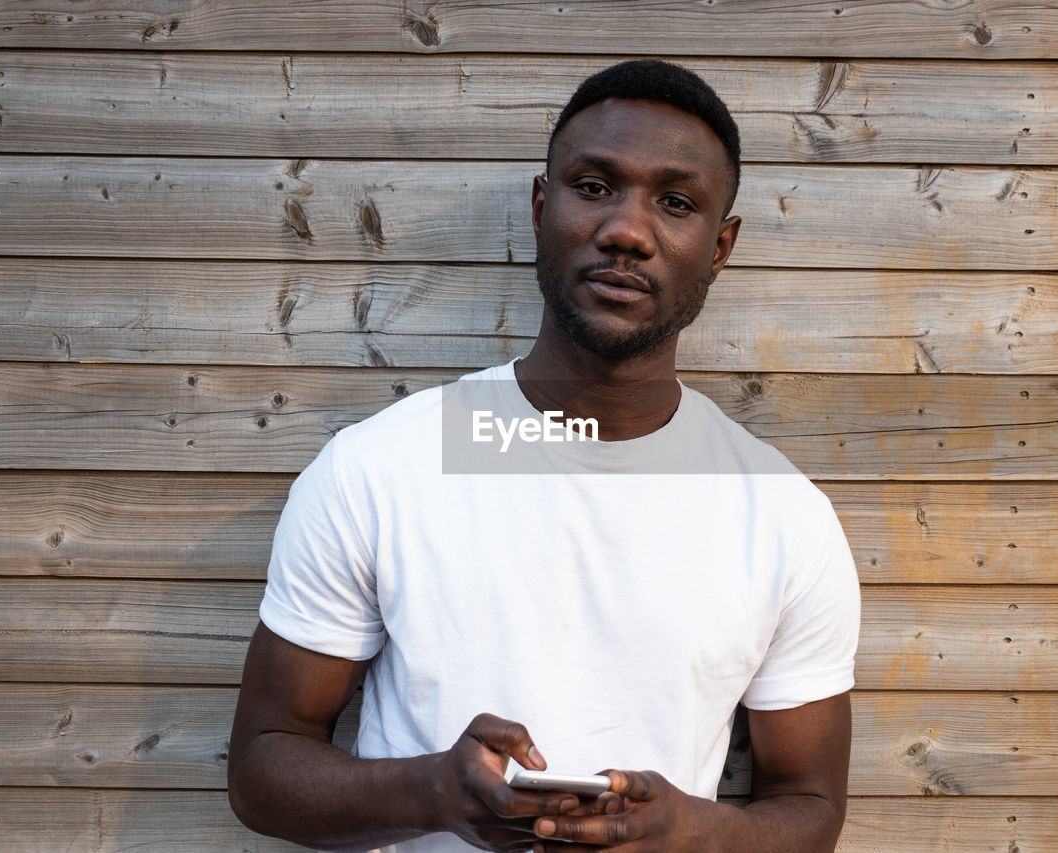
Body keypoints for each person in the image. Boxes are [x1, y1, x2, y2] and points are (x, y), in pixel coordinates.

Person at [228, 59, 860, 853]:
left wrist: (694, 833)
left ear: (721, 245)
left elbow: (810, 807)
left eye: (676, 202)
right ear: (540, 205)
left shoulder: (783, 515)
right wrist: (432, 791)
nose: (628, 230)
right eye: (593, 186)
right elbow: (261, 767)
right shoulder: (383, 468)